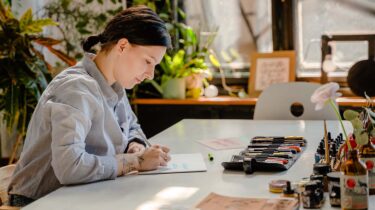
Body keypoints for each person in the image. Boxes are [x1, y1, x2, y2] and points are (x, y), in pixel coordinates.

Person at [7, 5, 172, 207]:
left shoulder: (115, 84)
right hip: (39, 202)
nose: (150, 74)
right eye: (148, 61)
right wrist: (136, 162)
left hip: (82, 195)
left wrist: (134, 146)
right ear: (122, 46)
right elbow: (70, 167)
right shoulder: (76, 89)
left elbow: (131, 127)